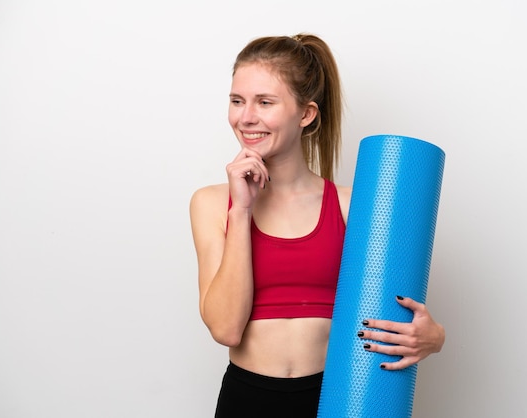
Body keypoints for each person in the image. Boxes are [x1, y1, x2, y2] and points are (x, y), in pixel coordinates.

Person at [189, 33, 445, 418]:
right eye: (237, 101)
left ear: (306, 114)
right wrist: (240, 210)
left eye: (265, 102)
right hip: (248, 399)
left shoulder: (352, 205)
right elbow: (226, 329)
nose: (246, 117)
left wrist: (434, 337)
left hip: (339, 398)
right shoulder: (211, 204)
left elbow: (394, 310)